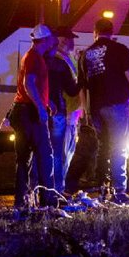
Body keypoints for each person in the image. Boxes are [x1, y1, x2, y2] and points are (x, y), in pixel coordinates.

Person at [78, 18, 129, 205]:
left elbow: (82, 87)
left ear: (95, 32)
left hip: (96, 108)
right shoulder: (119, 49)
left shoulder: (85, 54)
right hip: (117, 105)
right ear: (112, 32)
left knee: (103, 148)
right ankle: (119, 191)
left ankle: (102, 187)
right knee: (119, 148)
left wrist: (86, 110)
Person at [9, 24, 61, 208]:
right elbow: (29, 83)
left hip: (21, 111)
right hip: (29, 113)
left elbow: (33, 86)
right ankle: (48, 201)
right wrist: (40, 107)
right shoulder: (35, 58)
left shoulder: (31, 56)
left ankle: (21, 201)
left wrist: (47, 102)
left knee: (23, 159)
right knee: (45, 156)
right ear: (45, 40)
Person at [45, 26, 81, 194]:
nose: (71, 42)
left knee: (65, 152)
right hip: (64, 114)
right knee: (62, 153)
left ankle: (57, 189)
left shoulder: (67, 58)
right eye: (68, 38)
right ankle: (56, 190)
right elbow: (72, 88)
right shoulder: (59, 60)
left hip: (70, 113)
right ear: (60, 40)